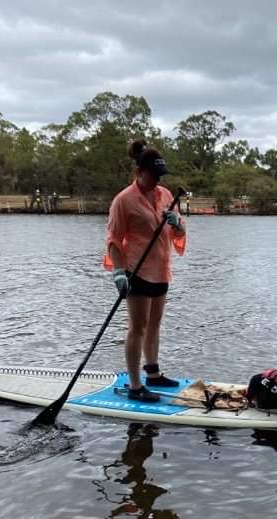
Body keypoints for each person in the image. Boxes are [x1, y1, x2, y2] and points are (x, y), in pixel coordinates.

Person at [103, 139, 187, 402]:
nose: (157, 181)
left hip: (161, 268)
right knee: (137, 327)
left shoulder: (165, 195)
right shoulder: (123, 201)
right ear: (139, 172)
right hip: (135, 270)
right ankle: (136, 386)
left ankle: (153, 373)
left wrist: (177, 225)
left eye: (160, 176)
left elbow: (179, 231)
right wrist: (119, 273)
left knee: (155, 324)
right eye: (153, 176)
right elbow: (114, 240)